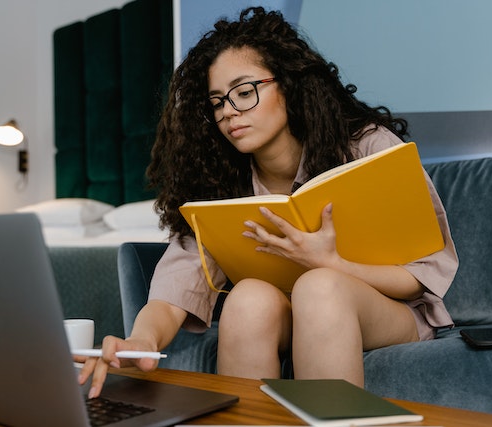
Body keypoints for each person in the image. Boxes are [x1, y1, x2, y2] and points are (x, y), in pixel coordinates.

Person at [76, 7, 458, 398]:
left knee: (320, 286)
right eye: (218, 102)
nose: (229, 113)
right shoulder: (221, 183)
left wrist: (332, 263)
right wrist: (141, 339)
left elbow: (421, 274)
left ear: (289, 85)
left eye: (244, 93)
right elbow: (175, 288)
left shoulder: (367, 147)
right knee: (247, 298)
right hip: (292, 315)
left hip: (392, 312)